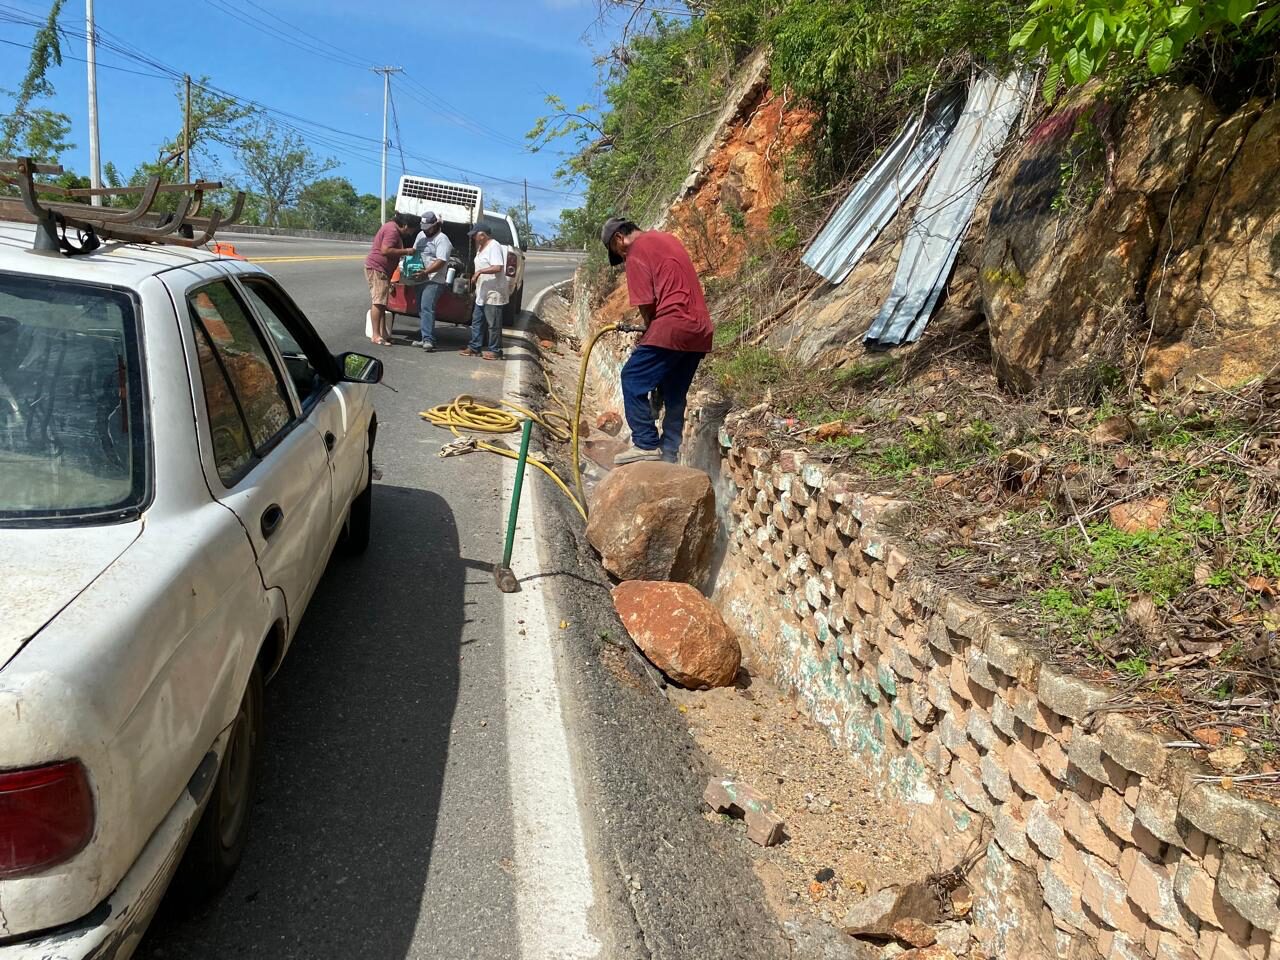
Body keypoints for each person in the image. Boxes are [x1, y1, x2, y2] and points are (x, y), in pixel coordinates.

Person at [600, 216, 712, 465]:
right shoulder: (666, 239)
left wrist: (650, 332)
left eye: (618, 252)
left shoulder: (637, 251)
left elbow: (647, 303)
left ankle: (646, 444)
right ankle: (669, 452)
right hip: (700, 329)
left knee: (632, 378)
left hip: (673, 325)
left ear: (619, 238)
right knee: (674, 392)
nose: (623, 257)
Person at [364, 212, 418, 345]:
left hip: (383, 270)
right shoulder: (392, 231)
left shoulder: (392, 228)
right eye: (411, 229)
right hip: (377, 268)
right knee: (378, 301)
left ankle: (384, 333)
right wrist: (406, 251)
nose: (411, 233)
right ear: (405, 226)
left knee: (383, 303)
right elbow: (385, 250)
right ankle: (376, 335)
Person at [461, 222, 507, 360]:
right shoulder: (481, 247)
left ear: (482, 235)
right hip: (482, 292)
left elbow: (497, 267)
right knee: (477, 321)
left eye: (475, 235)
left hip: (494, 292)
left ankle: (496, 350)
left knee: (493, 324)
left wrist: (480, 272)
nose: (474, 238)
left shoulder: (494, 246)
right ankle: (475, 347)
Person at [411, 211, 453, 352]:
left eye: (428, 228)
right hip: (420, 277)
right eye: (423, 227)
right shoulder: (420, 235)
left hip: (434, 279)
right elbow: (414, 251)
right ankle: (424, 338)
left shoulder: (442, 239)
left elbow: (441, 261)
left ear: (435, 225)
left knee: (427, 307)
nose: (425, 230)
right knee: (421, 309)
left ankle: (428, 340)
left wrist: (426, 272)